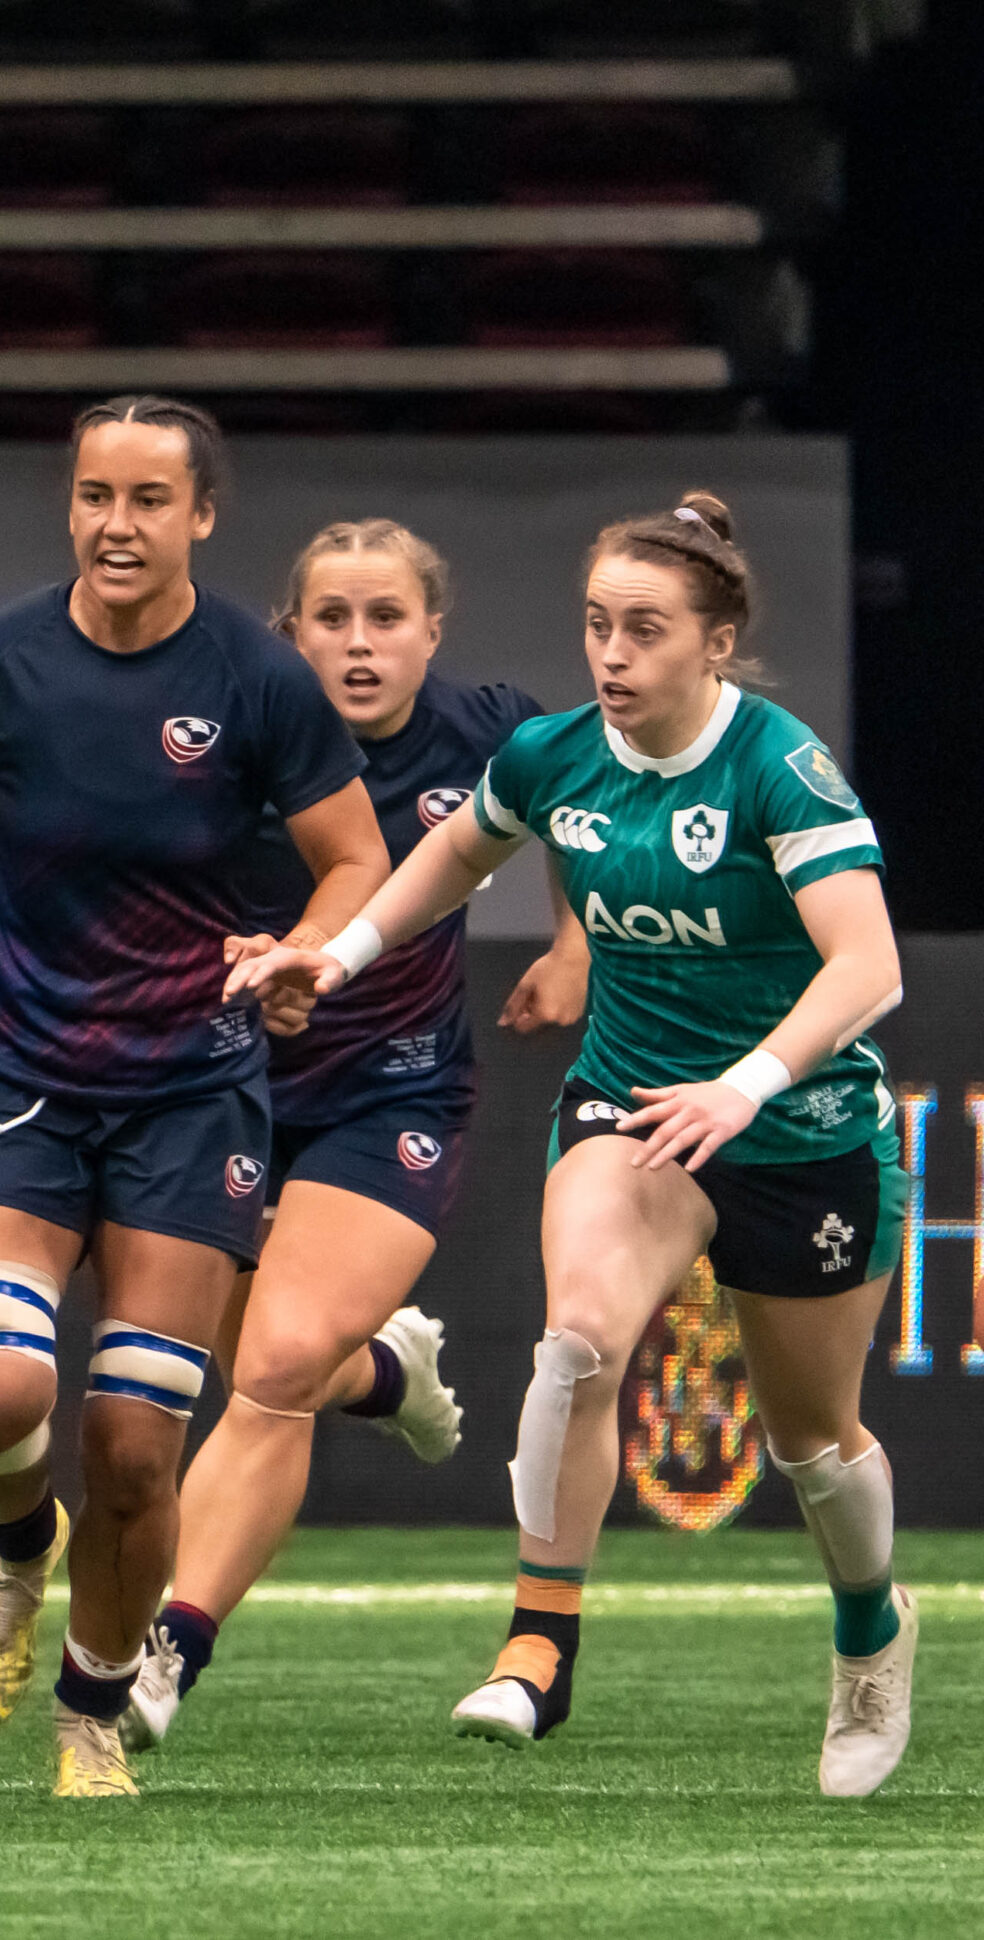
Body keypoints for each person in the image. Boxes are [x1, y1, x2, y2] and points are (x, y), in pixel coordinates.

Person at [229, 492, 913, 1797]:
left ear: (715, 643)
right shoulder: (553, 754)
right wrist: (341, 951)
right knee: (579, 1340)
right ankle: (538, 1645)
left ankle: (870, 1631)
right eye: (597, 624)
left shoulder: (779, 768)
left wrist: (745, 1087)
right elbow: (451, 855)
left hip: (801, 1126)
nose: (611, 653)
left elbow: (868, 966)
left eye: (644, 630)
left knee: (813, 1443)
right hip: (631, 1107)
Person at [0, 396, 390, 1799]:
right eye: (95, 495)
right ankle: (22, 1546)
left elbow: (356, 860)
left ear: (201, 515)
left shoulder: (258, 678)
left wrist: (304, 950)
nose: (116, 524)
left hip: (191, 1097)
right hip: (17, 1076)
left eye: (148, 499)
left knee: (137, 1450)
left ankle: (89, 1714)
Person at [127, 519, 588, 1747]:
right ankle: (387, 1371)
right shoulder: (228, 735)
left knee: (275, 1367)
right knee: (243, 1362)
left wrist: (574, 941)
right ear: (290, 634)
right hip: (221, 1087)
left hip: (390, 1097)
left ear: (433, 632)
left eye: (386, 617)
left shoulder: (490, 730)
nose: (359, 643)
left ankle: (168, 1648)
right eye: (331, 618)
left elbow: (586, 799)